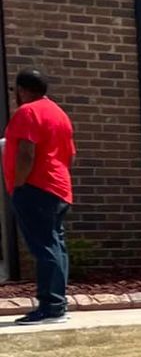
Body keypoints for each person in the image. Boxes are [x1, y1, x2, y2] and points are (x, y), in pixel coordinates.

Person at [4, 69, 76, 325]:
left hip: (36, 189)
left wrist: (19, 184)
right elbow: (69, 155)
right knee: (56, 246)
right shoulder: (59, 114)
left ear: (22, 90)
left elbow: (26, 153)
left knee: (44, 247)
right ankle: (58, 305)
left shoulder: (28, 111)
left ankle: (51, 307)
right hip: (59, 189)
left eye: (15, 91)